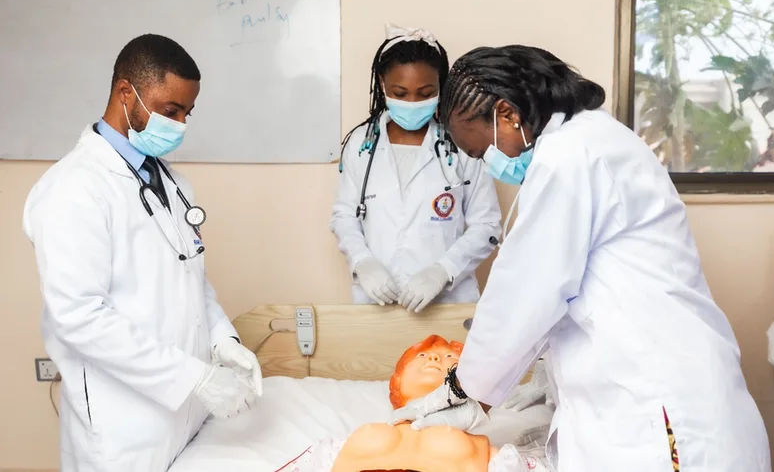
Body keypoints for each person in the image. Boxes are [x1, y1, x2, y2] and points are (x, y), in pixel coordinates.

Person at [390, 45, 771, 472]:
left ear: (508, 115)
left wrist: (466, 388)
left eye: (481, 152)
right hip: (667, 391)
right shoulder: (594, 139)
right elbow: (583, 288)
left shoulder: (571, 156)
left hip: (661, 411)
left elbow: (527, 291)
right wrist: (547, 373)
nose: (489, 163)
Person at [23, 34, 263, 472]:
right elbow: (79, 316)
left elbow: (192, 276)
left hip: (183, 414)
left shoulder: (170, 183)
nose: (180, 124)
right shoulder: (74, 189)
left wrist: (222, 339)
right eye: (170, 110)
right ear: (124, 92)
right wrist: (196, 378)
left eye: (187, 113)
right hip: (124, 427)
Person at [330, 25, 501, 312]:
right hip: (376, 303)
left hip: (449, 303)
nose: (412, 103)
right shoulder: (361, 144)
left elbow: (487, 225)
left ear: (441, 88)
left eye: (425, 93)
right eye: (400, 92)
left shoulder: (461, 142)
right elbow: (344, 216)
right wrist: (362, 261)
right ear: (382, 85)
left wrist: (443, 271)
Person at [277, 335, 550, 472]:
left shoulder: (494, 454)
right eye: (421, 355)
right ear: (397, 379)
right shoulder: (334, 446)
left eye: (448, 357)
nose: (433, 359)